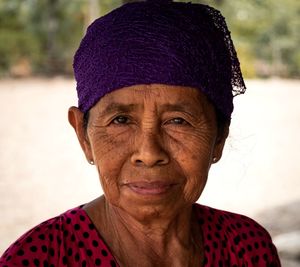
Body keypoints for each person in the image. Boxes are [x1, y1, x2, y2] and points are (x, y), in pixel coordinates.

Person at [0, 0, 281, 266]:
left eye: (178, 121)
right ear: (84, 136)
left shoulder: (247, 248)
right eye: (121, 120)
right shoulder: (38, 258)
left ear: (218, 138)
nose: (149, 154)